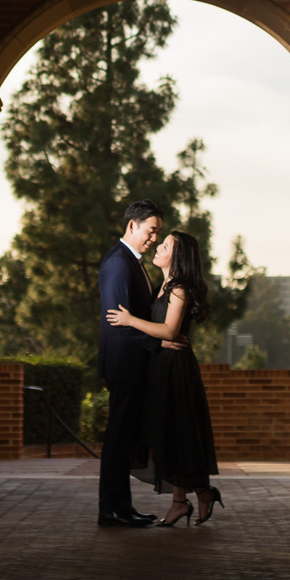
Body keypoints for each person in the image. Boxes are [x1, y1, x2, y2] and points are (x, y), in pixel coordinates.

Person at [106, 229, 224, 526]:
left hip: (176, 370)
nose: (158, 246)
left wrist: (130, 320)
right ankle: (187, 499)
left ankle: (191, 497)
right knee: (168, 433)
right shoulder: (164, 285)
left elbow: (171, 331)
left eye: (166, 245)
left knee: (177, 432)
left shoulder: (180, 288)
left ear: (178, 255)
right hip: (161, 366)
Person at [94, 199, 163, 528]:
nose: (154, 239)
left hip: (133, 363)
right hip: (125, 364)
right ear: (132, 225)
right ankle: (112, 510)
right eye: (151, 231)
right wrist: (161, 342)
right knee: (118, 438)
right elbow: (118, 322)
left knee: (124, 437)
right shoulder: (120, 263)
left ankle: (121, 508)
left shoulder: (133, 262)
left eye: (158, 233)